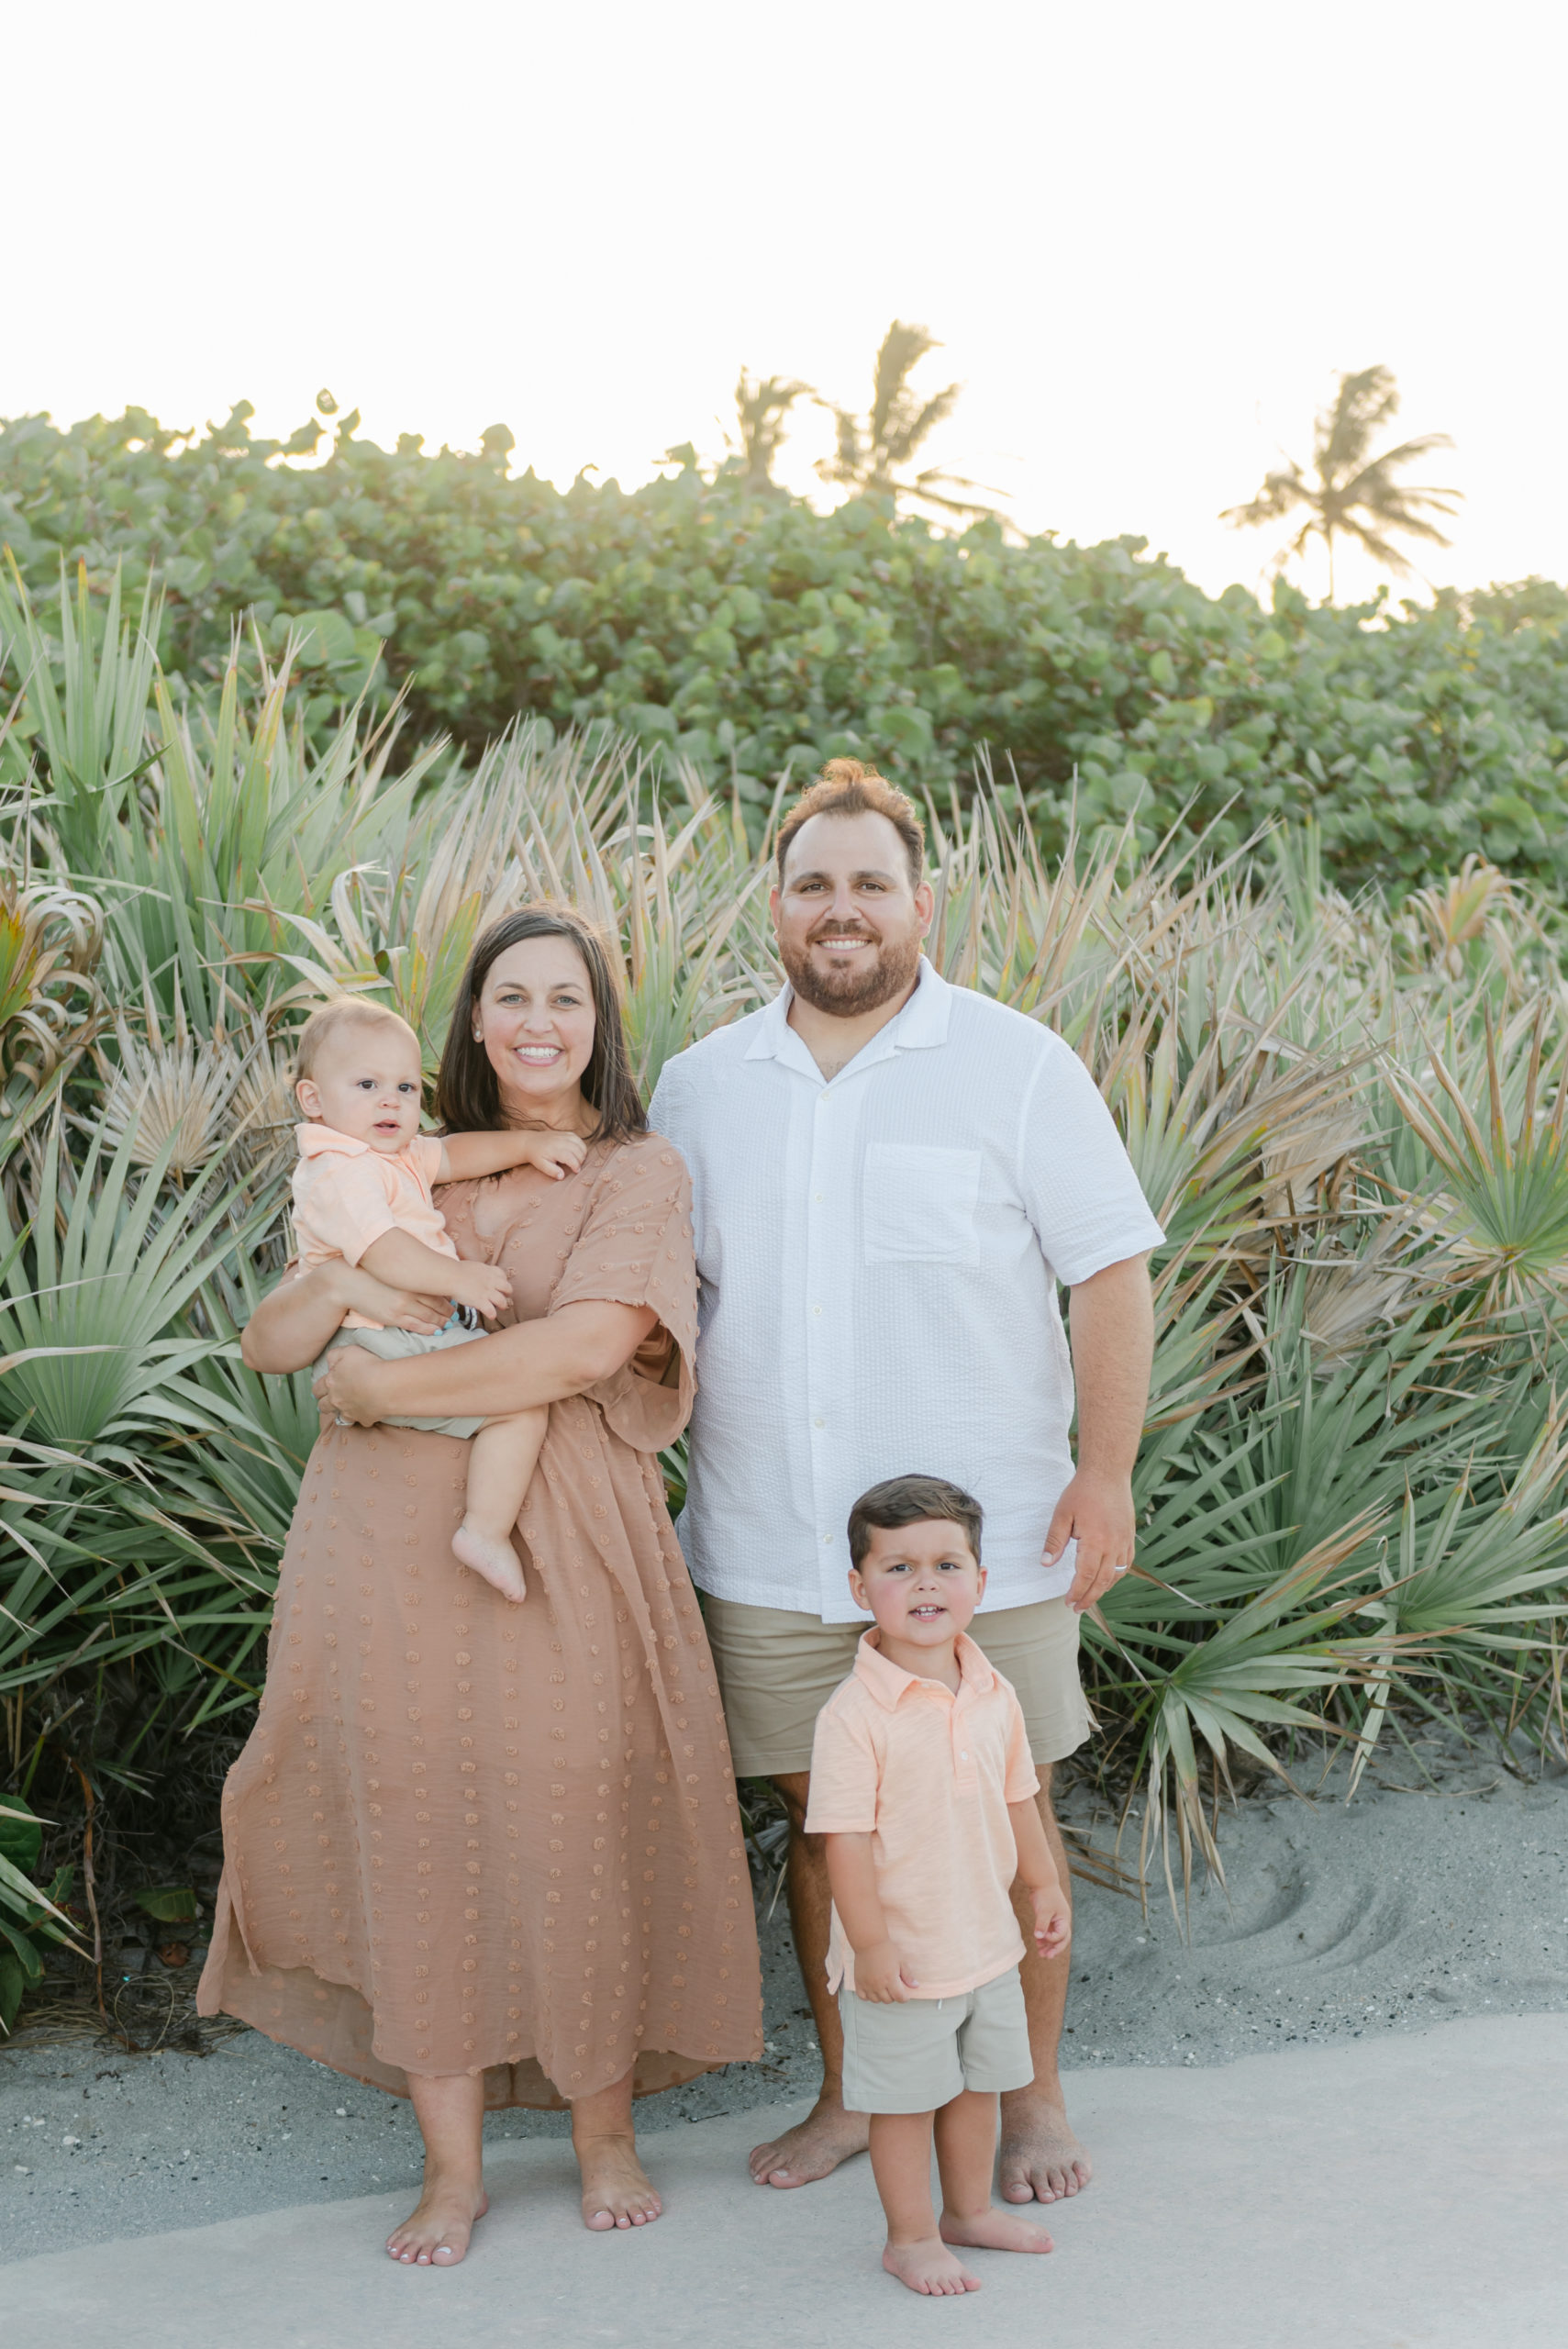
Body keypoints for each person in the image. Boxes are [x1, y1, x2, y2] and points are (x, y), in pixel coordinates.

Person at [198, 904, 762, 2264]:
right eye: (509, 997)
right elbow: (274, 1338)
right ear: (471, 1018)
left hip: (561, 1538)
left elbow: (578, 1352)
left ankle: (602, 2132)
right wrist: (331, 1312)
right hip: (380, 1550)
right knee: (417, 1828)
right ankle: (451, 2172)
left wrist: (386, 1380)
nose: (535, 1024)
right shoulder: (394, 1159)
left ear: (598, 1023)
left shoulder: (638, 1171)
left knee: (577, 1814)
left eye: (564, 1000)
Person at [649, 759, 1162, 2205]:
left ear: (920, 901)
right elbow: (659, 1308)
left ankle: (1033, 2100)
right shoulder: (701, 1085)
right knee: (833, 1841)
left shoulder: (1015, 1064)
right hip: (766, 1545)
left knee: (1001, 1818)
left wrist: (1105, 1471)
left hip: (975, 1548)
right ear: (776, 904)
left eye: (871, 882)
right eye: (814, 883)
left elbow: (1110, 1271)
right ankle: (853, 2096)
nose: (842, 910)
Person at [807, 1475, 1070, 2296]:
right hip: (905, 1958)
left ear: (980, 1584)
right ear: (860, 1588)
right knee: (904, 2105)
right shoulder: (854, 1715)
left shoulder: (992, 1690)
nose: (926, 1584)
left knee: (978, 2090)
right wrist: (873, 1943)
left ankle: (966, 2213)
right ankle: (910, 2236)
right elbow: (841, 1841)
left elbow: (1017, 1796)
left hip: (985, 1943)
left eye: (947, 1565)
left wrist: (1043, 1886)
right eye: (899, 1568)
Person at [290, 996, 586, 1601]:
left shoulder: (388, 1158)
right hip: (374, 1335)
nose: (390, 1100)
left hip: (399, 1334)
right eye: (367, 1084)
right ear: (313, 1100)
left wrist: (527, 1146)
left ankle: (477, 1526)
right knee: (520, 1407)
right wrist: (460, 1280)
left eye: (404, 1086)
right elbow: (383, 1249)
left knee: (508, 1399)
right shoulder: (336, 1172)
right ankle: (482, 1530)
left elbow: (452, 1154)